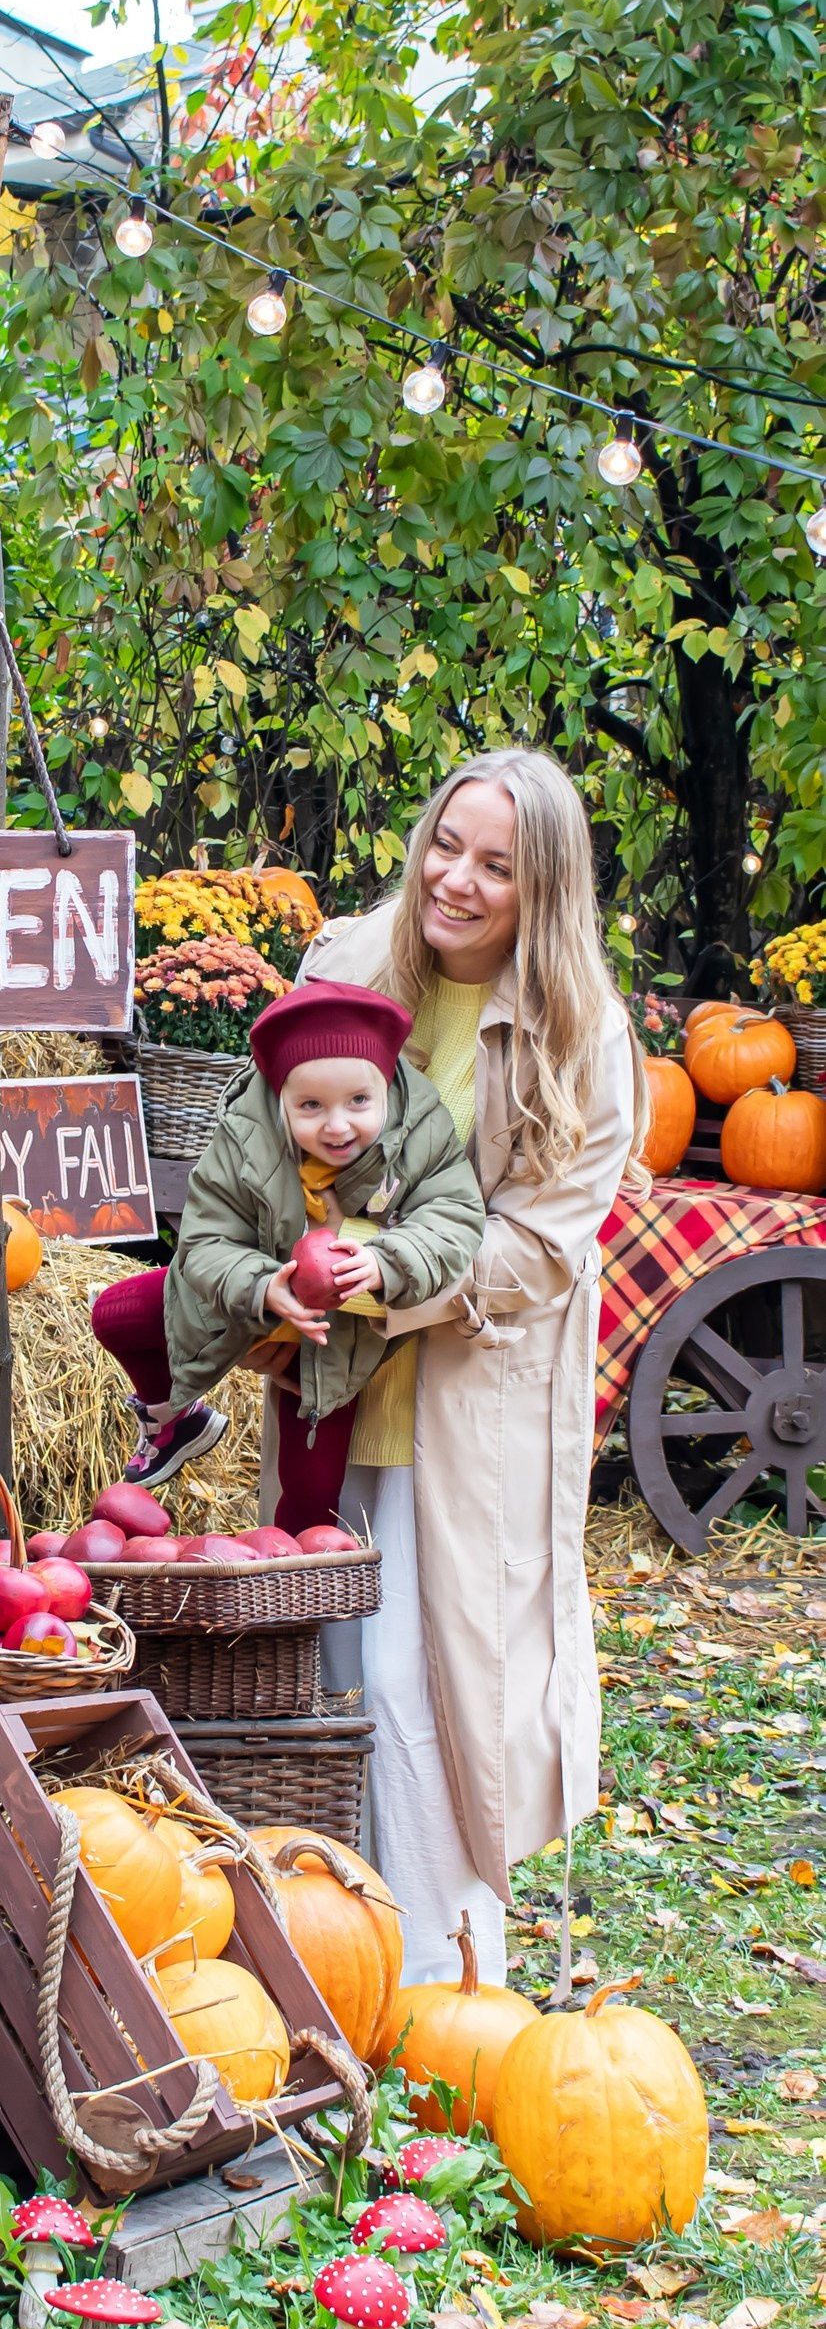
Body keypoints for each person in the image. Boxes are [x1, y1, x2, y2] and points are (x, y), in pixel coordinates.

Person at [296, 748, 644, 1983]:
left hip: (461, 1394)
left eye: (495, 865)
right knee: (325, 1666)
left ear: (541, 887)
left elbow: (538, 1248)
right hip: (329, 1379)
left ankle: (447, 1985)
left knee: (424, 1686)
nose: (454, 879)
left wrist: (381, 1275)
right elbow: (265, 1132)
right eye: (445, 844)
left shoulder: (582, 1035)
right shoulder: (348, 962)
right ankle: (330, 1965)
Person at [162, 980, 486, 1537]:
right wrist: (263, 1285)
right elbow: (206, 1238)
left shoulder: (420, 1134)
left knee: (312, 1489)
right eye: (311, 1106)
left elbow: (454, 1214)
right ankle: (169, 1415)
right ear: (280, 1102)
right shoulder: (248, 1137)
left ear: (387, 1090)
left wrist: (389, 1261)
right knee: (117, 1314)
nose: (337, 1125)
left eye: (359, 1102)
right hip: (259, 1306)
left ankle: (302, 1583)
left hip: (335, 1342)